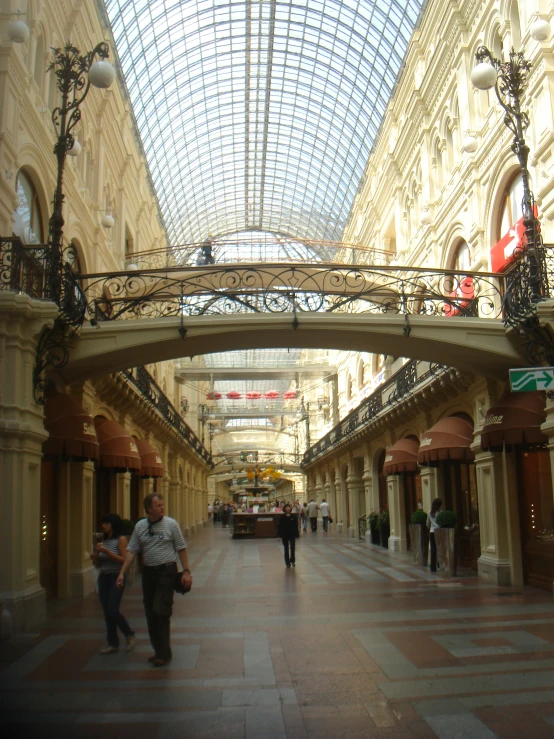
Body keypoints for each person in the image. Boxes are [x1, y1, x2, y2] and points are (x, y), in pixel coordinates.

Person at [117, 494, 192, 667]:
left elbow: (181, 548)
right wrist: (122, 572)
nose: (162, 507)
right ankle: (160, 650)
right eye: (158, 505)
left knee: (160, 609)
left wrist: (186, 571)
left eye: (162, 505)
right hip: (148, 573)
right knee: (150, 612)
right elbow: (131, 550)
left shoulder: (171, 524)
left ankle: (162, 652)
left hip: (167, 570)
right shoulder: (140, 526)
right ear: (148, 509)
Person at [91, 513, 135, 654]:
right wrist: (96, 556)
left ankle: (129, 633)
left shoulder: (120, 540)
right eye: (103, 523)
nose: (103, 526)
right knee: (106, 611)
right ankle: (112, 642)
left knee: (112, 609)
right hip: (103, 577)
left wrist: (107, 552)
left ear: (113, 524)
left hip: (116, 577)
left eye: (106, 523)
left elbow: (125, 559)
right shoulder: (103, 540)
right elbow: (99, 563)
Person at [427, 498, 442, 573]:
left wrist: (431, 526)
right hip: (439, 532)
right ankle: (440, 563)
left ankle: (432, 566)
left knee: (433, 549)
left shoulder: (430, 513)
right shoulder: (440, 513)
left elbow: (427, 524)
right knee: (440, 548)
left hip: (432, 532)